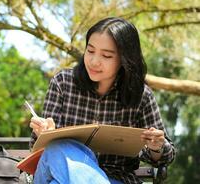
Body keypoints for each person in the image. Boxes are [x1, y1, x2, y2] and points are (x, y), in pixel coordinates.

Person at [29, 17, 175, 184]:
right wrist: (43, 134)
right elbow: (40, 152)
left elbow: (166, 157)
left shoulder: (141, 96)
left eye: (106, 55)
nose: (94, 61)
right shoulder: (63, 82)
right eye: (90, 51)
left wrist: (157, 147)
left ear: (125, 59)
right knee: (57, 148)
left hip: (116, 178)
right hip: (56, 169)